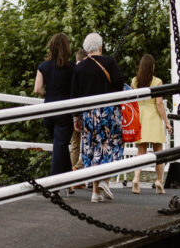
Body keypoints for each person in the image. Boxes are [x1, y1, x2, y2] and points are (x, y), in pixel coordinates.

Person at [70, 33, 126, 203]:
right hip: (108, 112)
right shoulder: (109, 62)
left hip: (88, 114)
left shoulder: (78, 68)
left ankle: (95, 192)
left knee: (92, 149)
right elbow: (119, 82)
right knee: (112, 144)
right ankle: (104, 180)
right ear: (100, 47)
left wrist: (76, 117)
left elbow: (75, 94)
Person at [34, 33, 74, 178]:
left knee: (60, 145)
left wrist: (48, 94)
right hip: (65, 111)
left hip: (48, 110)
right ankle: (54, 183)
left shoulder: (43, 66)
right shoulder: (72, 68)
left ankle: (69, 180)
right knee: (60, 145)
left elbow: (37, 89)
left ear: (51, 47)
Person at [130, 54, 171, 194]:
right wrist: (167, 122)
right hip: (153, 117)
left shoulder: (134, 81)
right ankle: (159, 181)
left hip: (140, 117)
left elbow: (131, 101)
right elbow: (159, 103)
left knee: (140, 151)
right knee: (158, 151)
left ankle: (136, 178)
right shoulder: (157, 81)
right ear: (152, 66)